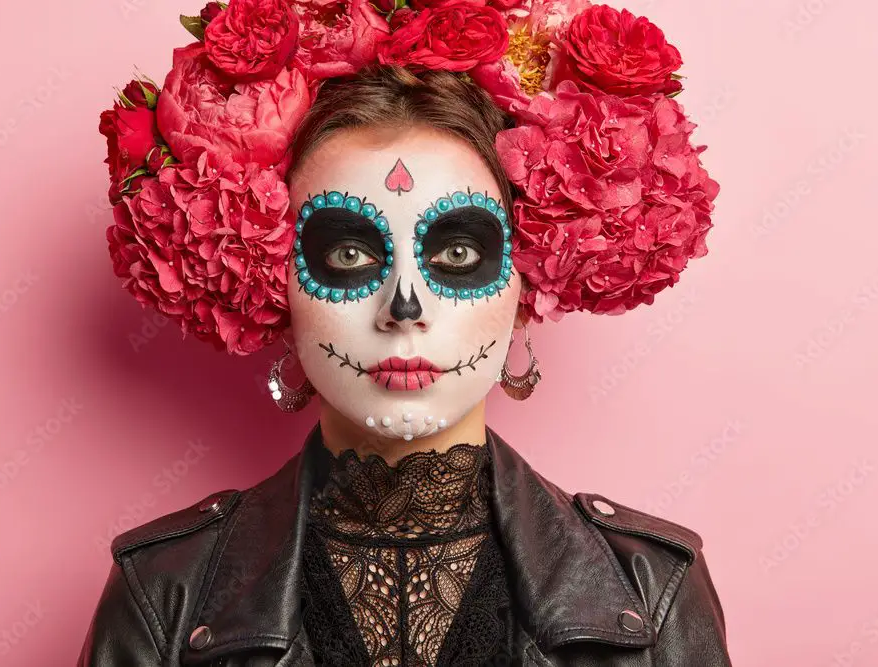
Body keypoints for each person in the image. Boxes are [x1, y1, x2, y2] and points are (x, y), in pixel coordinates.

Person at [80, 1, 727, 665]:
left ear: (527, 279)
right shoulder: (164, 594)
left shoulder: (652, 590)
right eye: (351, 255)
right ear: (269, 275)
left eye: (456, 254)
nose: (404, 305)